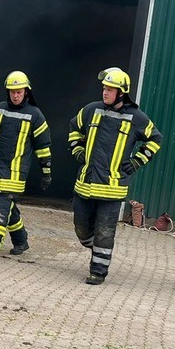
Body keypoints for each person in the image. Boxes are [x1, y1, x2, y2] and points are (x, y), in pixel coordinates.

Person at [68, 67, 163, 285]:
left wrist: (138, 160)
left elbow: (155, 139)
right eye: (104, 88)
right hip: (85, 185)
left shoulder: (136, 118)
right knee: (81, 229)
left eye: (110, 89)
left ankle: (98, 270)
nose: (105, 92)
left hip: (112, 189)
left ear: (121, 93)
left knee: (105, 230)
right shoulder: (91, 110)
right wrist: (77, 150)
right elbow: (74, 127)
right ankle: (100, 249)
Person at [0, 71, 52, 261]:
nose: (16, 95)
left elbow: (43, 145)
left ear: (26, 91)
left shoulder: (35, 115)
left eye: (19, 91)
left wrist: (46, 170)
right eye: (12, 92)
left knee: (0, 210)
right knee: (9, 208)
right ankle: (21, 240)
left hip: (16, 173)